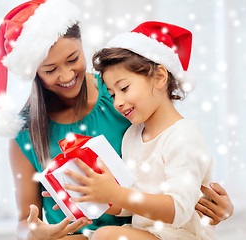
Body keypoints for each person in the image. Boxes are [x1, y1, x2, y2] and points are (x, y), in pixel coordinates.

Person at [0, 0, 233, 239]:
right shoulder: (25, 131)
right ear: (34, 72)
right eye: (50, 69)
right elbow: (25, 220)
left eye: (73, 58)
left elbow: (178, 161)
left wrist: (218, 207)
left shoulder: (122, 93)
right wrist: (34, 233)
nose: (66, 75)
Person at [62, 21, 229, 240]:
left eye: (124, 88)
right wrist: (94, 195)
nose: (118, 102)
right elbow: (130, 207)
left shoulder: (184, 135)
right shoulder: (132, 136)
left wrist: (117, 194)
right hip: (146, 232)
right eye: (112, 94)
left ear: (160, 77)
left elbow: (179, 211)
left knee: (105, 236)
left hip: (181, 235)